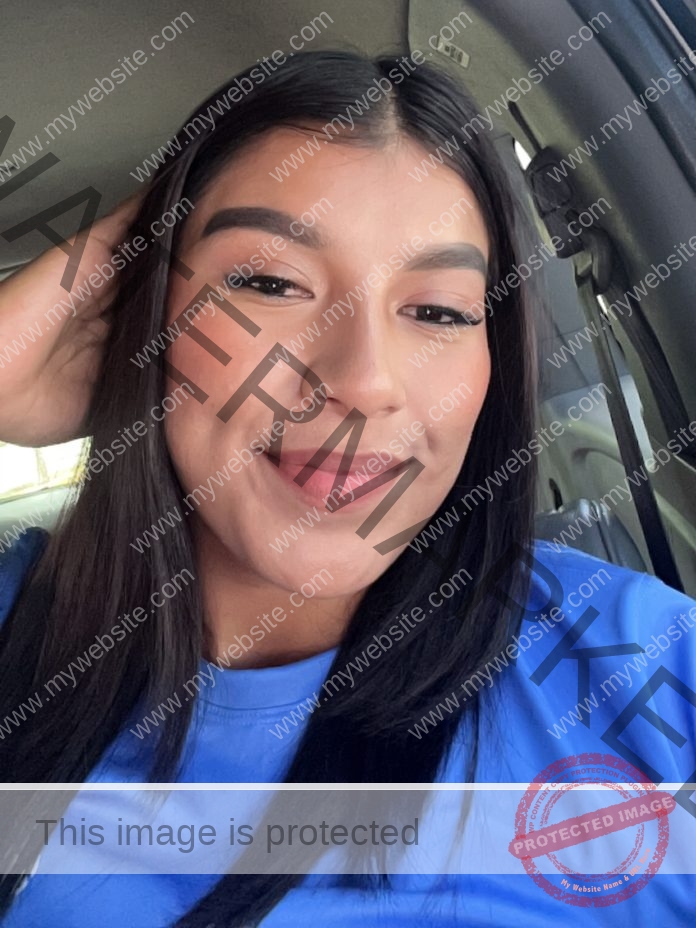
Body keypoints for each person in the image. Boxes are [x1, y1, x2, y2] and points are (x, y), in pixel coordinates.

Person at [0, 50, 694, 928]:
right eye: (269, 283)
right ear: (152, 318)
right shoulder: (21, 636)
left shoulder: (637, 665)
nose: (364, 379)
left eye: (438, 311)